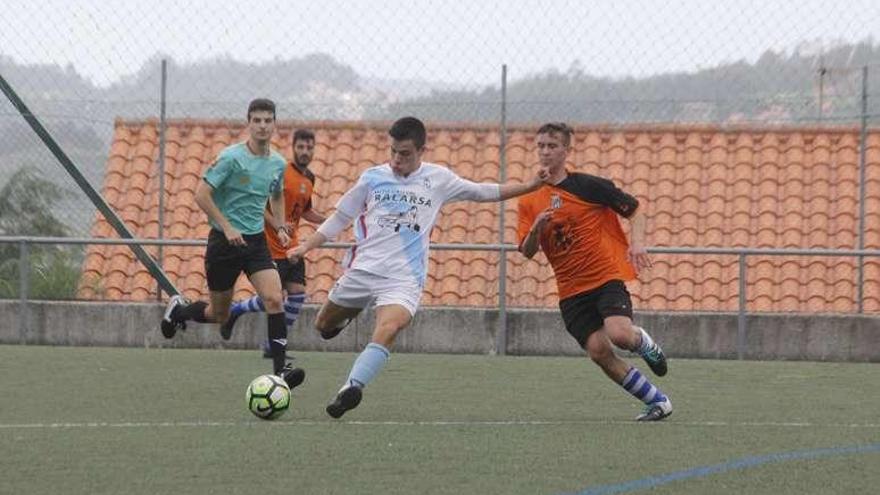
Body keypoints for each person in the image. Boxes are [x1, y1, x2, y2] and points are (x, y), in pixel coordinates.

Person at [287, 116, 545, 418]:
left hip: (404, 278)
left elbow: (482, 192)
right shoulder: (372, 177)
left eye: (405, 153)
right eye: (393, 151)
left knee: (388, 327)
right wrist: (306, 246)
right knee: (322, 326)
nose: (397, 159)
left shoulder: (439, 179)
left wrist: (530, 185)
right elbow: (340, 218)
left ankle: (350, 387)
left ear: (422, 150)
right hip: (363, 270)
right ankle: (346, 317)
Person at [517, 122, 672, 421]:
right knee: (599, 352)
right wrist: (536, 228)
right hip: (571, 291)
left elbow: (635, 210)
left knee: (620, 335)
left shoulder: (589, 186)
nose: (545, 151)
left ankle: (645, 343)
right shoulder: (528, 198)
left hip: (604, 278)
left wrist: (637, 244)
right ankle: (657, 402)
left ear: (566, 150)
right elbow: (526, 250)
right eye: (540, 146)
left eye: (552, 146)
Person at [160, 98, 304, 390]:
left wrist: (279, 226)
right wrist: (227, 227)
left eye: (268, 120)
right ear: (248, 123)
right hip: (223, 245)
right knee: (219, 314)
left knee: (275, 298)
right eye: (257, 120)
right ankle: (179, 311)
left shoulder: (277, 163)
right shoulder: (231, 157)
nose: (263, 126)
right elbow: (202, 195)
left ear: (275, 124)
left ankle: (281, 372)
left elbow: (275, 196)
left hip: (255, 243)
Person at [218, 129, 327, 358]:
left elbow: (305, 212)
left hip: (293, 246)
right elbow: (261, 206)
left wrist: (331, 221)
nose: (305, 151)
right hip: (270, 245)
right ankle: (239, 313)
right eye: (301, 147)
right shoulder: (281, 171)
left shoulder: (310, 178)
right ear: (293, 147)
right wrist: (278, 227)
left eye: (309, 147)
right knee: (274, 296)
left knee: (297, 294)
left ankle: (270, 344)